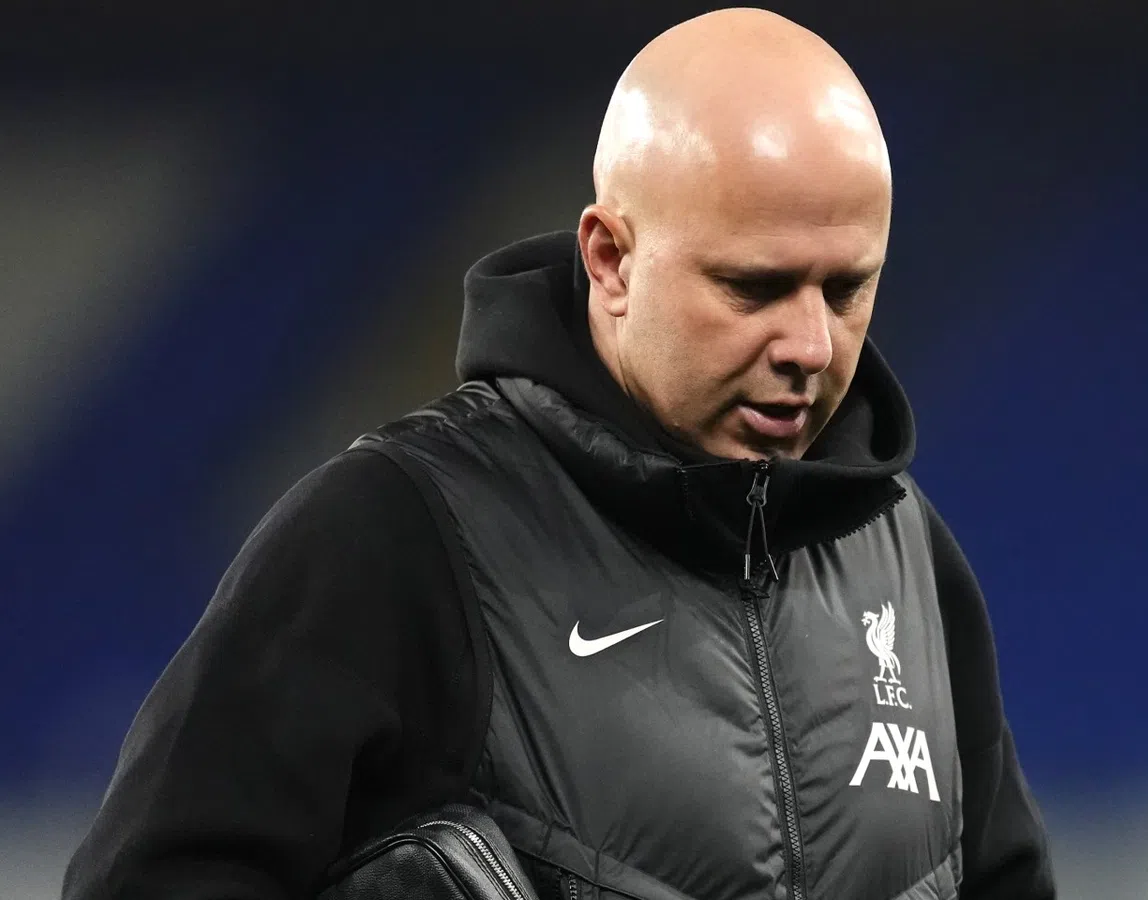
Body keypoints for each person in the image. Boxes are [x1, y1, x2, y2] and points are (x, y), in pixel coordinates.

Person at [63, 8, 1055, 900]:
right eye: (753, 288)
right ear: (611, 260)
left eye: (845, 290)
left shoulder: (908, 559)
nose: (810, 347)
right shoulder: (396, 534)